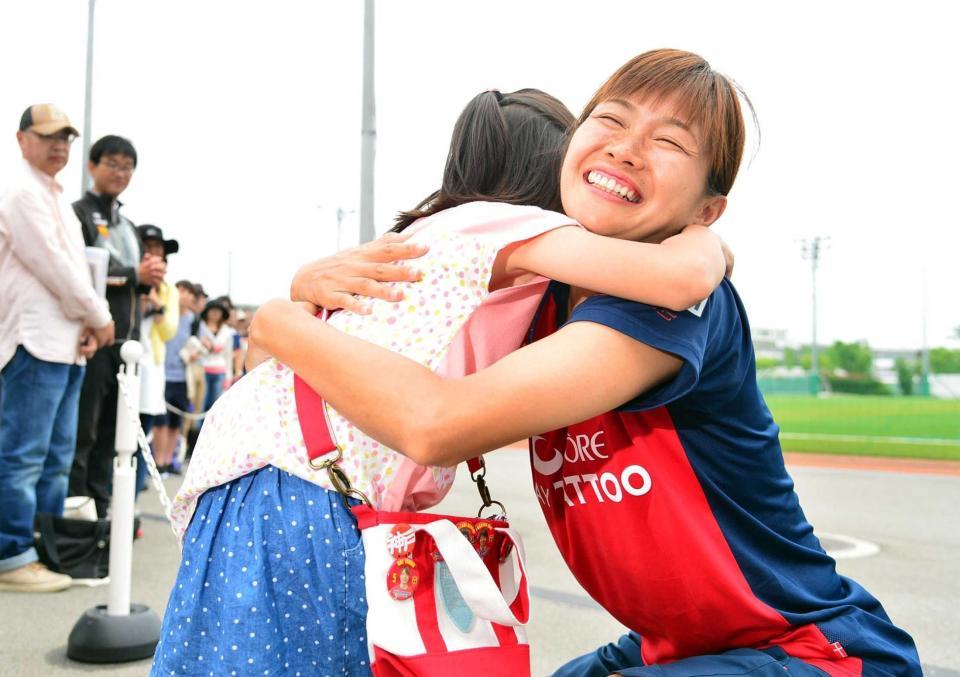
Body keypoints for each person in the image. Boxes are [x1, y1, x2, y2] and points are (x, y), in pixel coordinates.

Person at [254, 50, 922, 675]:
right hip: (674, 646)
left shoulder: (670, 308)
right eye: (611, 118)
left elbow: (434, 422)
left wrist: (279, 320)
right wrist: (311, 283)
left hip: (805, 648)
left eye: (670, 142)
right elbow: (313, 369)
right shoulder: (534, 299)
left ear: (704, 212)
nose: (627, 149)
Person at [153, 87, 731, 675]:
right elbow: (677, 278)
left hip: (255, 476)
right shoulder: (511, 227)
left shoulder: (434, 235)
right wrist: (707, 239)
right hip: (306, 487)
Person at [0, 104, 113, 592]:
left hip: (65, 343)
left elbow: (77, 271)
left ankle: (46, 548)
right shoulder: (21, 191)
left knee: (55, 457)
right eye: (47, 136)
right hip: (33, 340)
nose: (59, 145)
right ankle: (12, 553)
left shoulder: (57, 199)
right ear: (22, 139)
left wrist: (86, 325)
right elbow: (56, 270)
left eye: (66, 137)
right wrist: (99, 317)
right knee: (24, 455)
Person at [70, 134, 166, 517]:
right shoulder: (79, 212)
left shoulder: (127, 224)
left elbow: (133, 278)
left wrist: (150, 276)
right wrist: (134, 274)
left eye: (127, 166)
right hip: (94, 339)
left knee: (115, 436)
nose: (120, 172)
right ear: (92, 166)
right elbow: (82, 268)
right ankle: (77, 515)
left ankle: (104, 513)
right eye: (112, 163)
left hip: (128, 344)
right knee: (83, 432)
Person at [134, 225, 180, 493]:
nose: (153, 255)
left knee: (144, 431)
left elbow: (168, 330)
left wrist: (156, 303)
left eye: (158, 251)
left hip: (151, 366)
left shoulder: (168, 291)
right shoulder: (129, 280)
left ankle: (137, 488)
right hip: (121, 362)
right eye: (147, 249)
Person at [151, 280, 197, 473]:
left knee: (175, 422)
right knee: (160, 420)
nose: (186, 297)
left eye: (190, 294)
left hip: (182, 375)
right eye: (183, 292)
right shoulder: (167, 313)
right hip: (162, 372)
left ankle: (169, 460)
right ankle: (158, 461)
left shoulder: (193, 319)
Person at [197, 297, 233, 419]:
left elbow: (228, 355)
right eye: (212, 310)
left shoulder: (227, 332)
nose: (215, 314)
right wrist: (206, 347)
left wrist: (228, 377)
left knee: (216, 405)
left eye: (218, 311)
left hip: (220, 371)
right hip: (202, 370)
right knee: (200, 404)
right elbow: (196, 349)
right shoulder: (199, 328)